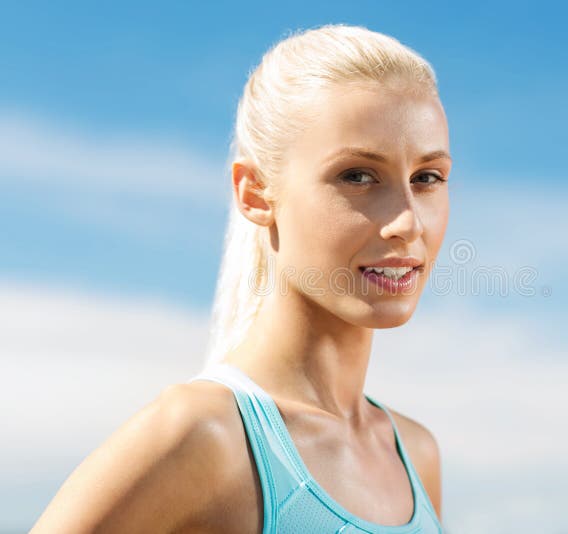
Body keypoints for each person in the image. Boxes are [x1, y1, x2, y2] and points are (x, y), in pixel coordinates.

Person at [32, 23, 450, 533]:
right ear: (253, 193)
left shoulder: (416, 455)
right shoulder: (200, 436)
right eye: (357, 176)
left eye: (426, 178)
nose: (408, 221)